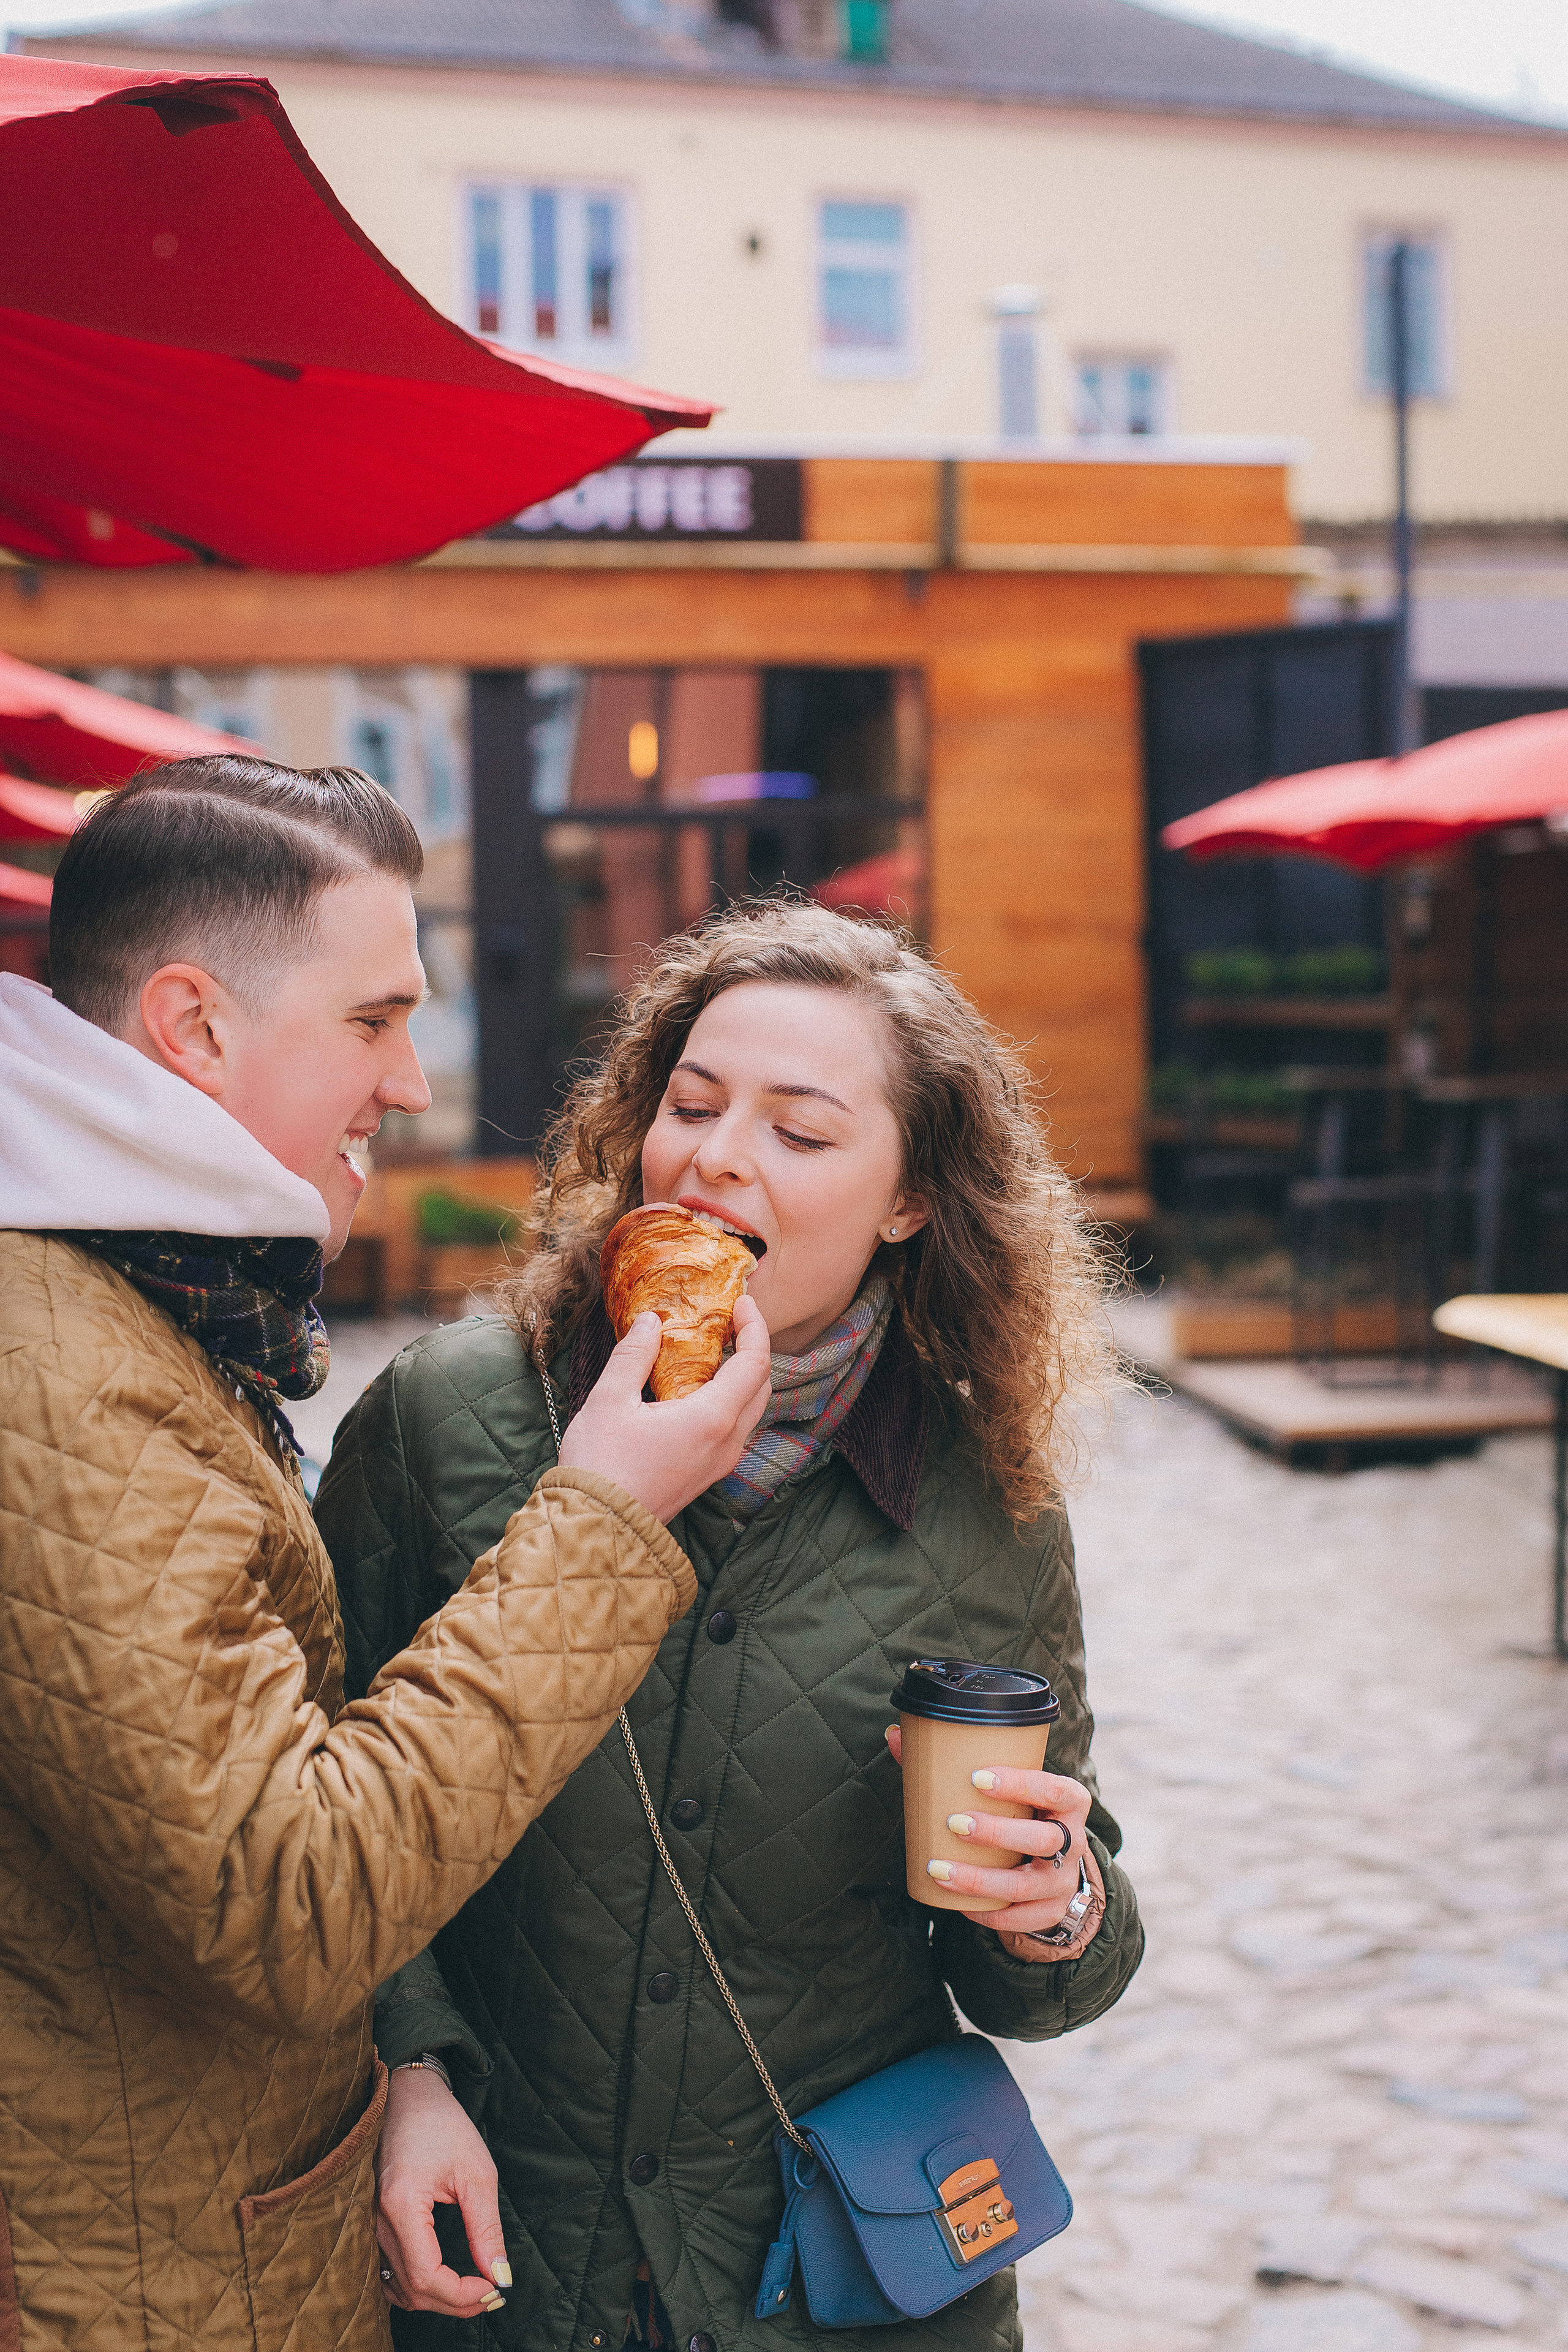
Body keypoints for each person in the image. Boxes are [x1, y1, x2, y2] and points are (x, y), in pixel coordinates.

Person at [0, 756, 771, 2351]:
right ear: (194, 1026)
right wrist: (604, 1517)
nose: (411, 1083)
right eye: (372, 1021)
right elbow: (285, 1900)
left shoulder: (125, 1289)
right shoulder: (61, 1376)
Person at [318, 899, 1145, 2352]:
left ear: (909, 1201)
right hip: (509, 2267)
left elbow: (1044, 1972)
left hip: (836, 2287)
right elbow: (313, 1803)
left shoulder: (987, 1504)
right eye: (690, 1106)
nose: (713, 1155)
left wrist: (1052, 1905)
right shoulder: (448, 1421)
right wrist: (410, 2071)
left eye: (800, 1132)